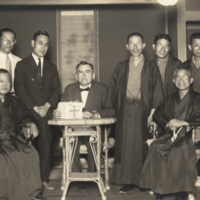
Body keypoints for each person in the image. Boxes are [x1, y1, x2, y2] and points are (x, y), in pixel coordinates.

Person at [103, 32, 164, 193]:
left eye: (139, 43)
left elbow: (157, 91)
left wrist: (152, 114)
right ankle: (128, 181)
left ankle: (144, 181)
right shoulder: (121, 67)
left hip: (144, 110)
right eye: (132, 43)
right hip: (125, 110)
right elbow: (112, 92)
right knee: (127, 146)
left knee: (142, 146)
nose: (135, 47)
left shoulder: (151, 66)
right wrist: (112, 112)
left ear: (144, 46)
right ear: (127, 46)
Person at [139, 67, 199, 200]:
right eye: (178, 77)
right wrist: (168, 123)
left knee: (178, 149)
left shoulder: (197, 98)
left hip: (188, 134)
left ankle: (182, 191)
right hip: (170, 134)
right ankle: (160, 188)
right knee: (156, 148)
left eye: (185, 77)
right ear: (173, 81)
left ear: (191, 80)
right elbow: (157, 114)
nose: (181, 80)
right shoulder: (170, 99)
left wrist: (182, 122)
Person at [54, 61, 113, 191]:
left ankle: (92, 177)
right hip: (74, 131)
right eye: (80, 72)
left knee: (95, 141)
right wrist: (57, 113)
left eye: (87, 72)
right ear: (76, 75)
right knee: (70, 141)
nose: (84, 76)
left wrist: (95, 114)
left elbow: (111, 110)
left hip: (94, 131)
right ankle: (75, 178)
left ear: (93, 74)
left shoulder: (102, 89)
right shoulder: (69, 89)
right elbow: (61, 109)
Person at [14, 30, 61, 190]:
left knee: (46, 145)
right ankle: (29, 180)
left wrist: (46, 106)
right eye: (40, 43)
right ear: (33, 43)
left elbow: (56, 91)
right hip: (27, 113)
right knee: (28, 147)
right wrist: (35, 108)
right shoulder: (22, 65)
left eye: (46, 44)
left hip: (46, 113)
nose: (43, 47)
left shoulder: (51, 67)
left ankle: (44, 180)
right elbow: (20, 90)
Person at [0, 69, 46, 200]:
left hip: (12, 138)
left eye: (8, 81)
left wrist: (31, 124)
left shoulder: (15, 101)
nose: (5, 84)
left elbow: (24, 116)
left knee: (30, 152)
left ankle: (32, 193)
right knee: (5, 158)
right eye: (1, 81)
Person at [153, 33, 182, 97]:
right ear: (154, 46)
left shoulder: (177, 64)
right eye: (160, 45)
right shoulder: (149, 65)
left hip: (173, 102)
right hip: (155, 104)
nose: (162, 49)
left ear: (169, 49)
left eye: (166, 46)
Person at [0, 28, 21, 92]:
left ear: (15, 42)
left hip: (15, 99)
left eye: (12, 40)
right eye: (5, 39)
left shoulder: (19, 62)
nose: (8, 43)